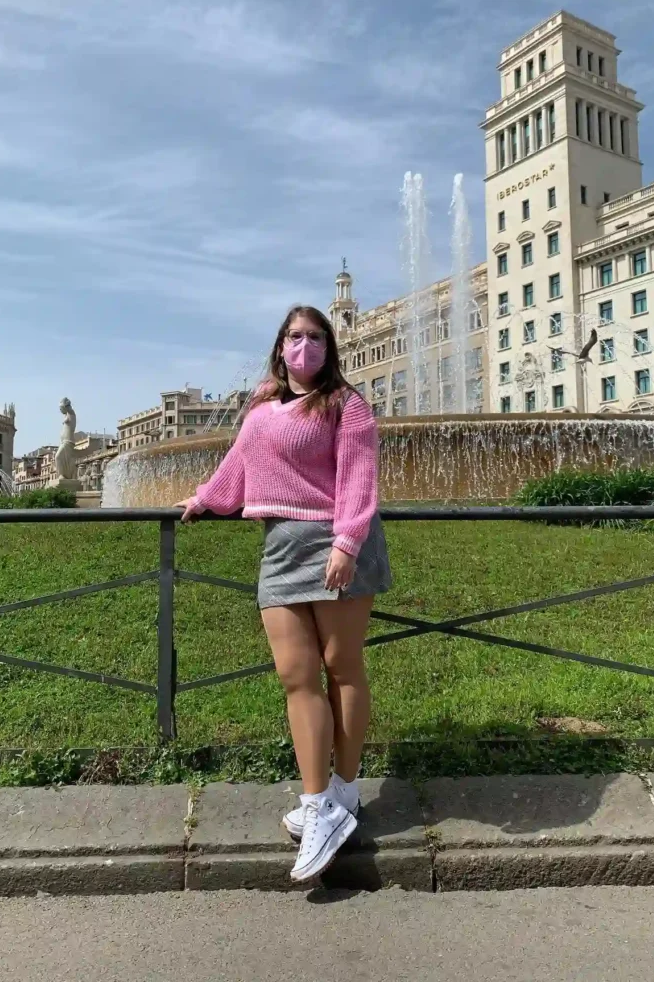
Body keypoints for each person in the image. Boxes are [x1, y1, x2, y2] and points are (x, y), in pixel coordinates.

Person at [176, 305, 391, 883]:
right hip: (280, 549)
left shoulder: (347, 404)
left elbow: (358, 477)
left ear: (330, 346)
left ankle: (338, 795)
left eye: (316, 337)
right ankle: (321, 802)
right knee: (296, 673)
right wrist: (204, 498)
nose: (305, 346)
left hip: (336, 543)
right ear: (279, 346)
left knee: (341, 664)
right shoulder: (262, 406)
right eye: (295, 337)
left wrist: (346, 542)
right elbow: (239, 465)